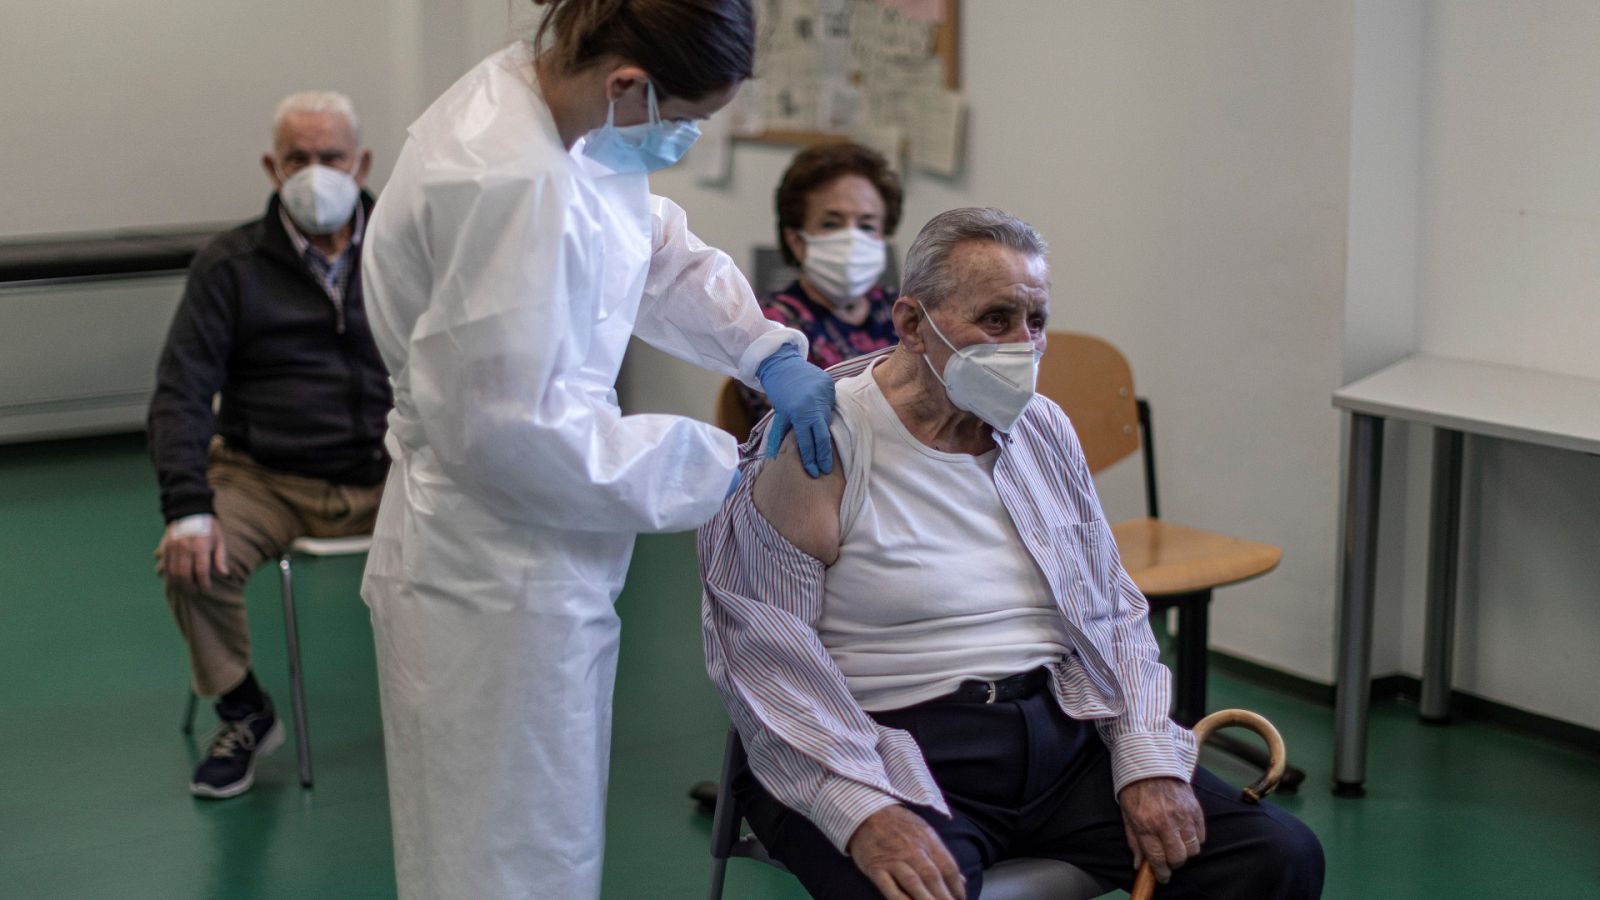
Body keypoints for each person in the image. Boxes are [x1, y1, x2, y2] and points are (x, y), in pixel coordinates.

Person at [700, 208, 1325, 900]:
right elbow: (763, 655)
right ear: (911, 324)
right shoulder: (824, 441)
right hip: (886, 746)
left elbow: (1110, 610)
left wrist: (1145, 759)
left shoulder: (1039, 427)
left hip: (1059, 733)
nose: (1021, 345)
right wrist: (865, 811)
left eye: (1035, 322)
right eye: (995, 320)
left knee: (1275, 855)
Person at [357, 1, 837, 897]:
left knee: (545, 832)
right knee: (504, 852)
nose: (685, 139)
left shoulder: (561, 109)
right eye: (686, 118)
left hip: (537, 553)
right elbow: (515, 440)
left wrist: (761, 345)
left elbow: (645, 245)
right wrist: (727, 465)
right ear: (629, 83)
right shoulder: (508, 183)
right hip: (490, 571)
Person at [148, 90, 390, 799]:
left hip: (394, 472)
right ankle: (244, 710)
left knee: (493, 551)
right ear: (272, 168)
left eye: (332, 157)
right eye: (299, 159)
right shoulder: (230, 266)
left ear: (363, 161)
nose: (317, 173)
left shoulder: (408, 246)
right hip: (267, 478)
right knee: (191, 559)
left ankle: (462, 706)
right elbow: (180, 391)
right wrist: (188, 508)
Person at [738, 140, 904, 424]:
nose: (852, 240)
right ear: (796, 240)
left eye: (866, 226)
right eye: (831, 224)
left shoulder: (903, 311)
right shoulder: (769, 327)